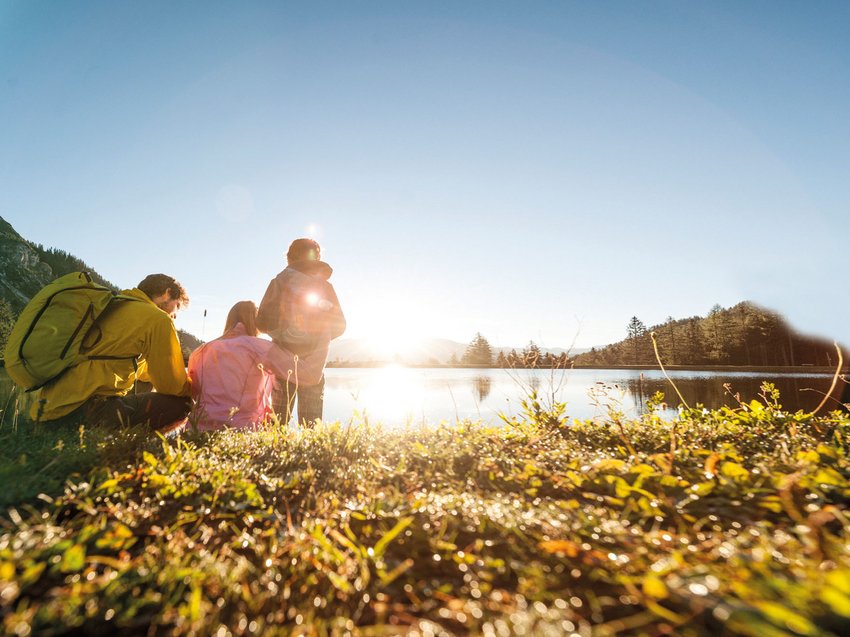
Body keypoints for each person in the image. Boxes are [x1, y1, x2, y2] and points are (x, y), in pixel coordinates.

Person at [33, 274, 193, 432]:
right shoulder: (158, 319)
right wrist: (195, 389)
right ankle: (131, 447)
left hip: (46, 412)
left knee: (146, 382)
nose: (174, 315)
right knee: (182, 404)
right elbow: (172, 386)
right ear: (167, 293)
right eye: (176, 306)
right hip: (85, 413)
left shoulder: (113, 305)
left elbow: (144, 372)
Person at [187, 301, 324, 430]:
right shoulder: (260, 347)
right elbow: (310, 376)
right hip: (242, 429)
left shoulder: (200, 351)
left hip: (198, 428)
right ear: (257, 322)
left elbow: (194, 394)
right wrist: (325, 339)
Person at [256, 238, 345, 426]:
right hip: (314, 364)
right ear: (317, 258)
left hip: (282, 362)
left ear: (289, 258)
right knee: (311, 425)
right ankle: (312, 455)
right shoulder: (325, 287)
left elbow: (261, 322)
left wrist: (283, 333)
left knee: (276, 424)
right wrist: (319, 337)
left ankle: (272, 455)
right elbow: (340, 325)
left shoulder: (278, 283)